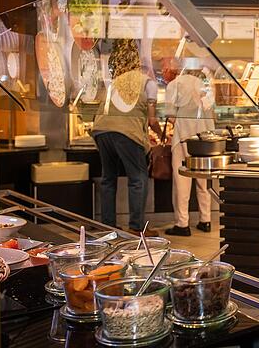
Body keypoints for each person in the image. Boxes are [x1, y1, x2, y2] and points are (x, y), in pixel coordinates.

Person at [92, 38, 161, 237]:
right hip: (126, 133)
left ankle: (108, 226)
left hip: (101, 130)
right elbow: (152, 119)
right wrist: (160, 134)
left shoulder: (116, 82)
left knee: (108, 179)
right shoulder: (147, 82)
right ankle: (136, 227)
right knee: (138, 179)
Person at [164, 57, 216, 236]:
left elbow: (170, 115)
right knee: (204, 180)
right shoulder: (204, 84)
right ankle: (205, 220)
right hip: (205, 137)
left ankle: (182, 224)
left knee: (182, 181)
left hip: (183, 136)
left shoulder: (174, 85)